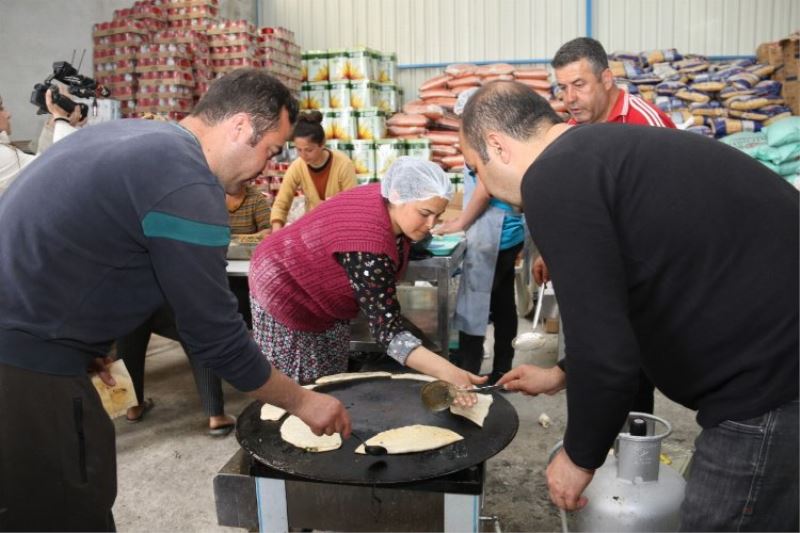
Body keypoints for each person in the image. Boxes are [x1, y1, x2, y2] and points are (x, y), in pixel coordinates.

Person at [0, 69, 351, 531]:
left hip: (31, 344)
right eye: (269, 150)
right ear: (241, 127)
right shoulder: (188, 184)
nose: (265, 166)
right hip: (26, 368)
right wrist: (304, 402)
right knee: (67, 508)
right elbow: (215, 337)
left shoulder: (138, 137)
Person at [460, 81, 798, 531]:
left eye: (476, 169)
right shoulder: (599, 152)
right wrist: (564, 371)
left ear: (498, 146)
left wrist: (580, 456)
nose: (484, 186)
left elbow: (607, 353)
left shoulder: (552, 177)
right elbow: (627, 305)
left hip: (771, 379)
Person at [249, 156, 487, 393]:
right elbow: (389, 335)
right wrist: (450, 373)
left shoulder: (389, 200)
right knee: (304, 390)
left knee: (331, 379)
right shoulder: (369, 245)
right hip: (284, 285)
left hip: (317, 291)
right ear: (397, 196)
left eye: (438, 215)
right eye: (424, 213)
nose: (430, 224)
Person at [532, 36, 677, 413]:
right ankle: (600, 441)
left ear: (607, 79)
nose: (569, 98)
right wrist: (550, 249)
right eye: (562, 88)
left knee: (632, 365)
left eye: (579, 85)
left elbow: (669, 205)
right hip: (600, 263)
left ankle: (631, 451)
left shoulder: (644, 124)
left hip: (639, 267)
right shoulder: (572, 128)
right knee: (595, 351)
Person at [434, 88, 525, 384]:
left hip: (493, 230)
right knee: (501, 301)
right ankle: (502, 369)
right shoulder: (495, 135)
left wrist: (459, 222)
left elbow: (485, 190)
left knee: (476, 299)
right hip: (507, 229)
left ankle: (470, 370)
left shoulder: (483, 140)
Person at [270, 110, 356, 231]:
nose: (303, 155)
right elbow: (281, 203)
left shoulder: (343, 164)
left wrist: (330, 207)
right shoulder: (297, 166)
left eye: (309, 150)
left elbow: (352, 204)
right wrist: (276, 229)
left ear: (322, 144)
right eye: (299, 150)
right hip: (313, 229)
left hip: (341, 228)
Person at [0, 88, 81, 194]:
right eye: (1, 109)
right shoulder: (3, 154)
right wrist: (61, 120)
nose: (8, 114)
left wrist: (54, 123)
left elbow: (40, 161)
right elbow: (52, 170)